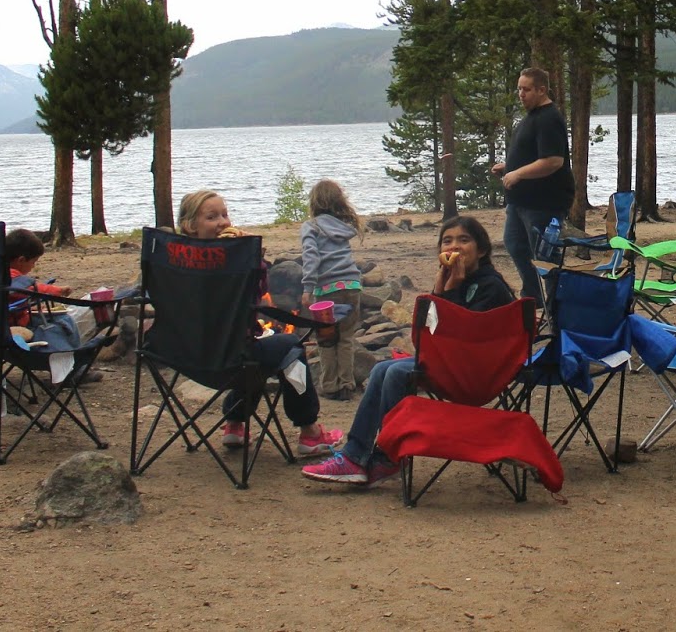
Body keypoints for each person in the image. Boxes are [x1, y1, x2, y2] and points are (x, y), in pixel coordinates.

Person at [302, 216, 515, 487]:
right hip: (452, 363)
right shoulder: (458, 282)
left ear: (482, 250)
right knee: (381, 368)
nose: (455, 246)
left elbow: (455, 339)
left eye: (464, 240)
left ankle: (387, 457)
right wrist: (439, 289)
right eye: (447, 240)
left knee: (396, 373)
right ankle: (355, 457)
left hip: (475, 374)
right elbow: (424, 335)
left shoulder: (489, 286)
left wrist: (448, 292)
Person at [176, 189, 343, 459]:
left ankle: (235, 424)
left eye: (224, 214)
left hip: (182, 355)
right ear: (190, 225)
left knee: (254, 354)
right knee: (289, 347)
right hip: (230, 358)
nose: (223, 222)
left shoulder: (173, 262)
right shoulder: (233, 262)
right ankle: (310, 433)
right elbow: (258, 293)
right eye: (212, 217)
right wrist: (253, 260)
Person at [491, 67, 574, 305]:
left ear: (541, 90)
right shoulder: (532, 118)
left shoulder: (549, 118)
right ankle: (532, 296)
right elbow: (532, 156)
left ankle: (556, 305)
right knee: (515, 244)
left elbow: (553, 161)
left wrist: (517, 173)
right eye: (519, 89)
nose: (521, 94)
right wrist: (509, 167)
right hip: (520, 202)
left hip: (544, 203)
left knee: (545, 255)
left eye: (526, 89)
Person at [300, 178, 365, 401]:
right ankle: (347, 385)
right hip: (352, 286)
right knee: (346, 338)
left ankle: (329, 386)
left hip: (327, 293)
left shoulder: (311, 226)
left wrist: (308, 288)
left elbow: (311, 257)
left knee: (326, 340)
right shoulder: (342, 227)